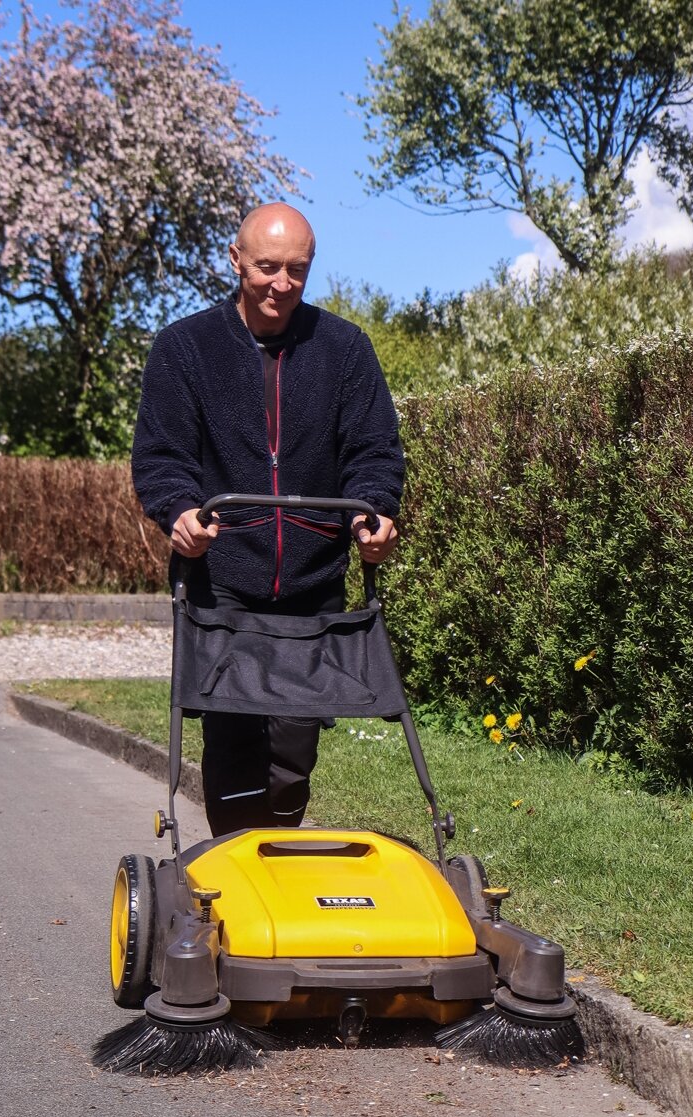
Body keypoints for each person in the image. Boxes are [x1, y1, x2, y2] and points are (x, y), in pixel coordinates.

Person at [132, 203, 404, 837]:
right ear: (236, 261)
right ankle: (236, 858)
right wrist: (179, 511)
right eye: (267, 267)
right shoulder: (184, 348)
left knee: (293, 748)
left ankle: (276, 852)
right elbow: (162, 456)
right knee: (231, 737)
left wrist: (373, 511)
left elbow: (373, 451)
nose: (282, 283)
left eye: (297, 270)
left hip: (313, 576)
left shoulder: (344, 348)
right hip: (221, 573)